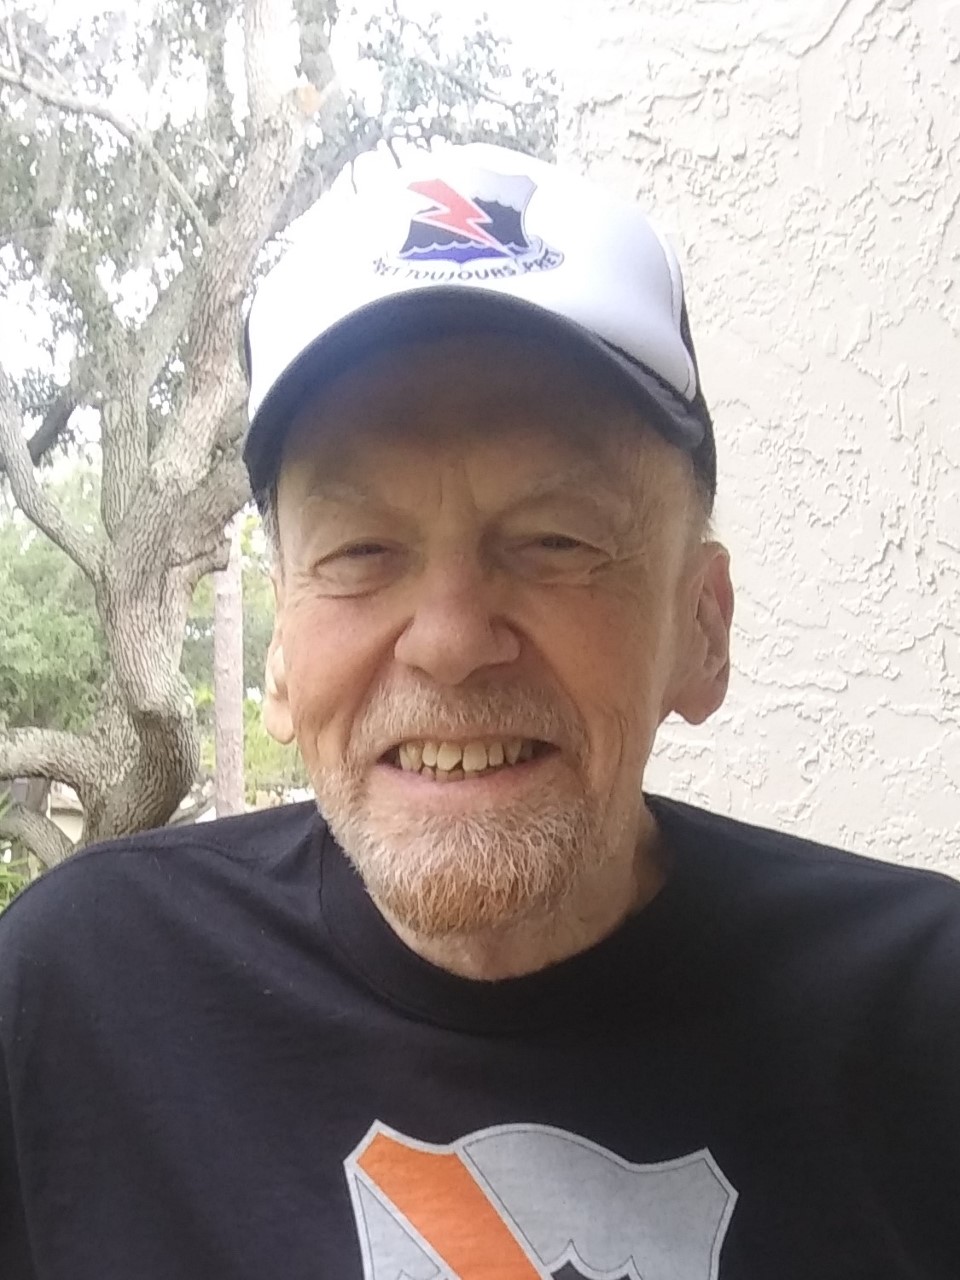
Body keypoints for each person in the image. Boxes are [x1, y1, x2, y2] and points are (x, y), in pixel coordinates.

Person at [1, 143, 958, 1280]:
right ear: (283, 649)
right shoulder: (78, 1002)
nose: (451, 640)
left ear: (702, 628)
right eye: (362, 550)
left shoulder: (925, 1025)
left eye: (556, 541)